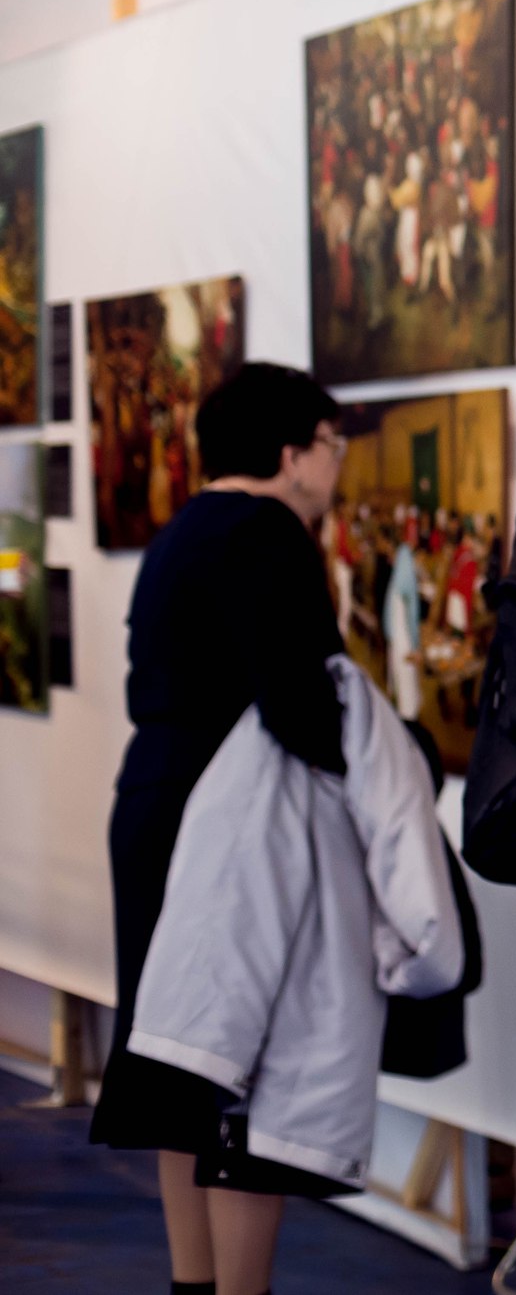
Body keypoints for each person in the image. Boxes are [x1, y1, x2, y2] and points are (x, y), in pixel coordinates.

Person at [90, 363, 349, 1295]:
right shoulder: (270, 531)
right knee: (245, 1062)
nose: (336, 464)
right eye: (331, 443)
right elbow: (301, 701)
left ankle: (194, 1284)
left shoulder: (184, 530)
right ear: (290, 452)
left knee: (174, 1051)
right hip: (231, 823)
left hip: (157, 798)